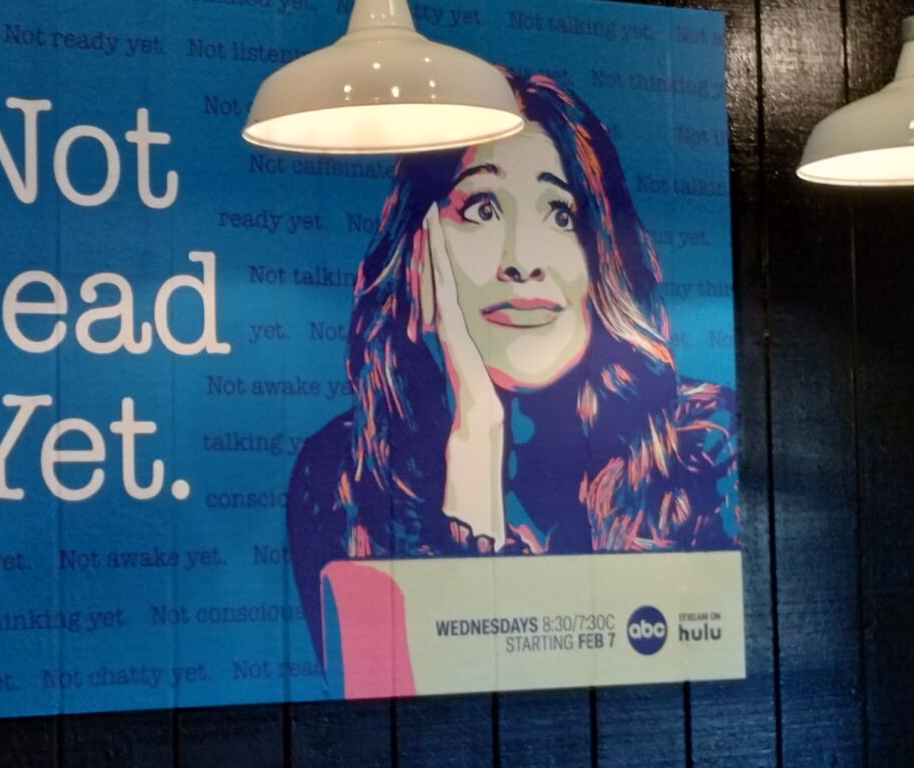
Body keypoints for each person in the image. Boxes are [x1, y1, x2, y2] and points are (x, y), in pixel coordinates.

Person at [286, 70, 738, 662]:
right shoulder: (340, 470)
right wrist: (474, 440)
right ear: (417, 249)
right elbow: (413, 684)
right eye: (481, 209)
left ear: (603, 253)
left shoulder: (710, 445)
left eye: (561, 213)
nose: (522, 260)